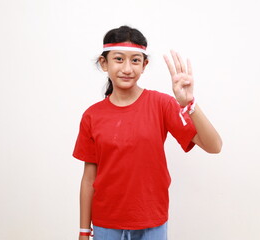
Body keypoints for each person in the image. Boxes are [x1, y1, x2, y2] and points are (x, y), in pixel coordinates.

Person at [73, 25, 222, 240]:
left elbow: (214, 146)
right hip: (106, 223)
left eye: (135, 60)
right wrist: (84, 231)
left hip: (151, 220)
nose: (127, 68)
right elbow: (89, 179)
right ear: (104, 63)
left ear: (144, 65)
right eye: (118, 59)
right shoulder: (92, 115)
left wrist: (189, 104)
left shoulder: (161, 104)